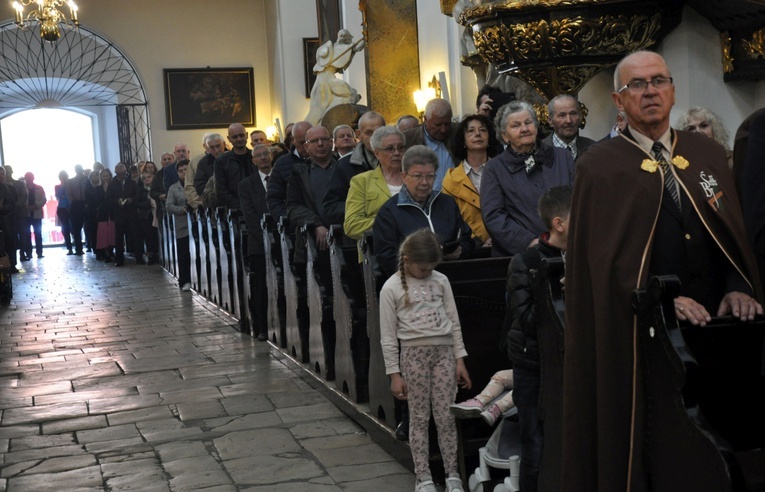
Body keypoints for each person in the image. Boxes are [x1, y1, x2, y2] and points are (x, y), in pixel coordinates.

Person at [563, 50, 763, 491]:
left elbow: (734, 236)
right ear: (619, 100)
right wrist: (665, 298)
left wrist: (738, 285)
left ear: (672, 90)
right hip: (644, 338)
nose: (650, 91)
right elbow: (603, 264)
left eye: (658, 81)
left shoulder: (706, 154)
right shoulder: (599, 167)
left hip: (719, 331)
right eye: (637, 84)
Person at [378, 228, 472, 492]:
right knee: (419, 419)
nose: (428, 272)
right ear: (407, 260)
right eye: (423, 269)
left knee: (446, 416)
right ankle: (423, 476)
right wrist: (394, 374)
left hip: (444, 355)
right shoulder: (391, 288)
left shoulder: (441, 280)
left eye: (432, 267)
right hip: (413, 356)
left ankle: (452, 473)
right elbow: (388, 336)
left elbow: (454, 322)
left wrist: (459, 359)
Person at [508, 185, 570, 491]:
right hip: (535, 364)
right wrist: (559, 294)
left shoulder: (590, 255)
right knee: (535, 445)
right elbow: (528, 320)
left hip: (575, 362)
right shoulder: (527, 261)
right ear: (559, 224)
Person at [480, 100, 575, 257]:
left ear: (536, 127)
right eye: (516, 125)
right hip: (522, 256)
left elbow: (578, 199)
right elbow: (494, 216)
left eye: (528, 122)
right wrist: (529, 242)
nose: (524, 129)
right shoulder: (495, 168)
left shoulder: (562, 156)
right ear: (504, 135)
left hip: (567, 248)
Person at [372, 145, 475, 280]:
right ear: (404, 176)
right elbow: (386, 257)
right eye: (417, 176)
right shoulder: (389, 211)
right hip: (409, 283)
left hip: (452, 277)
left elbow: (467, 240)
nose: (424, 182)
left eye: (430, 176)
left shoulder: (447, 203)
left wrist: (459, 252)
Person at [442, 114, 500, 246]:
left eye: (483, 130)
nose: (478, 134)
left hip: (505, 245)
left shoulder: (502, 171)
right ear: (463, 140)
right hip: (469, 249)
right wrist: (476, 242)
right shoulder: (451, 180)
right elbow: (450, 221)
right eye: (471, 131)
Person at [344, 126, 405, 246]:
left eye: (401, 148)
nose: (397, 153)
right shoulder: (362, 181)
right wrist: (392, 223)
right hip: (375, 251)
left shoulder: (415, 178)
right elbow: (351, 225)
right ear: (377, 153)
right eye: (390, 149)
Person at [323, 111, 385, 226]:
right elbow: (331, 206)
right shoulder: (345, 165)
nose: (374, 138)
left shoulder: (398, 161)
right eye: (369, 133)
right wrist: (363, 209)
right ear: (359, 134)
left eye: (378, 132)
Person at [238, 143, 274, 341]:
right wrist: (266, 237)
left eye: (265, 154)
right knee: (260, 285)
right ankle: (261, 327)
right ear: (253, 161)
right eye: (258, 155)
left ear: (271, 156)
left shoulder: (281, 178)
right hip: (258, 242)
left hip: (282, 237)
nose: (263, 158)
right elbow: (250, 215)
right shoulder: (247, 184)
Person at [305, 29, 365, 124]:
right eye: (341, 35)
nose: (341, 37)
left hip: (328, 76)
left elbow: (357, 48)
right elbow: (356, 48)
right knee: (346, 94)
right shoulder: (331, 47)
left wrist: (365, 37)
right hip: (326, 77)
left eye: (343, 36)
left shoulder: (345, 47)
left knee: (347, 93)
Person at [403, 98, 458, 191]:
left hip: (454, 198)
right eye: (438, 124)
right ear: (425, 119)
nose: (443, 129)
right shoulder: (408, 139)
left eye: (447, 124)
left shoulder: (458, 133)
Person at [542, 94, 596, 161]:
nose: (569, 120)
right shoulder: (538, 152)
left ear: (580, 116)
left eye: (573, 114)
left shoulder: (594, 149)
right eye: (562, 115)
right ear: (550, 120)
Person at [165, 160, 191, 291]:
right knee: (184, 254)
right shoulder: (174, 188)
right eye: (181, 171)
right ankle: (185, 280)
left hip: (197, 224)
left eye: (186, 169)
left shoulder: (195, 185)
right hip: (183, 225)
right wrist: (182, 209)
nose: (184, 173)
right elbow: (169, 206)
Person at [107, 162, 138, 266]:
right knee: (119, 236)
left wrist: (131, 200)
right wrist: (117, 201)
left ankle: (138, 256)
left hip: (131, 212)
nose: (121, 176)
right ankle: (119, 259)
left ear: (126, 172)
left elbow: (137, 196)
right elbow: (108, 199)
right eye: (119, 174)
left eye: (123, 174)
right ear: (115, 173)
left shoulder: (132, 183)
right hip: (118, 213)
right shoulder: (112, 184)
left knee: (134, 234)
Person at [22, 172, 46, 260]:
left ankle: (39, 252)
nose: (29, 178)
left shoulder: (39, 188)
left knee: (38, 234)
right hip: (26, 214)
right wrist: (27, 207)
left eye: (30, 177)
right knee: (27, 234)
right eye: (27, 177)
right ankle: (29, 253)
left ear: (33, 178)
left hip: (37, 213)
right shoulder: (23, 189)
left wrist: (36, 205)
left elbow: (44, 199)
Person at [95, 168, 115, 263]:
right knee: (104, 234)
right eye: (103, 176)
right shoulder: (98, 189)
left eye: (107, 176)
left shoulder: (114, 187)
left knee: (112, 233)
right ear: (101, 177)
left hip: (112, 213)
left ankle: (111, 251)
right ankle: (106, 254)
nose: (105, 178)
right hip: (103, 214)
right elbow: (97, 202)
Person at [55, 170, 73, 255]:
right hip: (62, 208)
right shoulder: (57, 186)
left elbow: (69, 195)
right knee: (65, 228)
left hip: (71, 207)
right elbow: (58, 195)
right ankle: (69, 247)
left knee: (73, 227)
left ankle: (76, 245)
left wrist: (64, 195)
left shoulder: (71, 185)